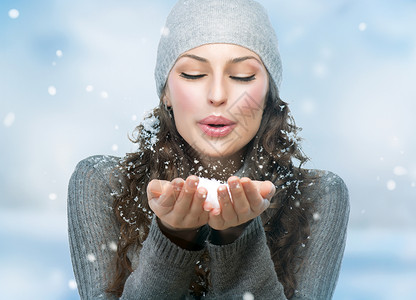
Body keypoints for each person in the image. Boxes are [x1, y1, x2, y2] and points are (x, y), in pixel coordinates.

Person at [67, 0, 350, 299]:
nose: (217, 95)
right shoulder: (103, 183)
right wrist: (174, 238)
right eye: (193, 74)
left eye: (242, 76)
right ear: (166, 94)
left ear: (269, 93)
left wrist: (238, 238)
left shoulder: (318, 195)